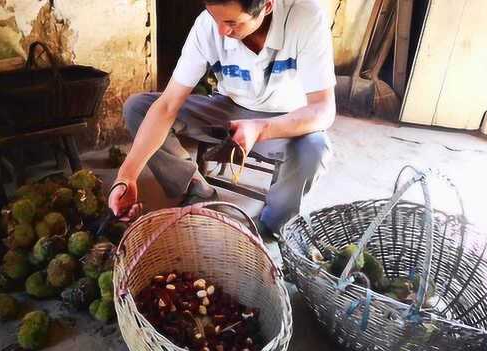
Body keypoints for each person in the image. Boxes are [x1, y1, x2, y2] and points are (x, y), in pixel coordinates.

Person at [109, 0, 336, 237]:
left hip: (284, 119)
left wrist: (261, 129)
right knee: (139, 108)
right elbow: (167, 105)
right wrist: (126, 176)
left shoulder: (306, 17)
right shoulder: (208, 26)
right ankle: (195, 189)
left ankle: (270, 227)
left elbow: (323, 109)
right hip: (227, 108)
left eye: (232, 22)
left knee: (316, 149)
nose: (222, 31)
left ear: (267, 6)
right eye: (215, 18)